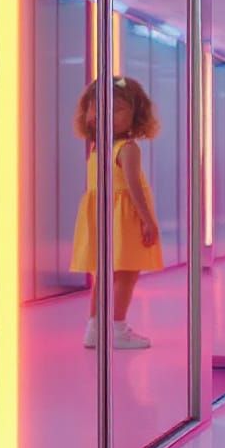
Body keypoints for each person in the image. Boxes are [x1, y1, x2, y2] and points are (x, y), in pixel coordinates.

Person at [70, 76, 163, 349]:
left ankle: (95, 328)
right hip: (123, 219)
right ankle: (117, 328)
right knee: (126, 275)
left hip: (103, 217)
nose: (106, 114)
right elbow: (134, 188)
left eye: (117, 109)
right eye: (99, 108)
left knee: (104, 275)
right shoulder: (127, 149)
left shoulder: (98, 148)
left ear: (136, 114)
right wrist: (148, 220)